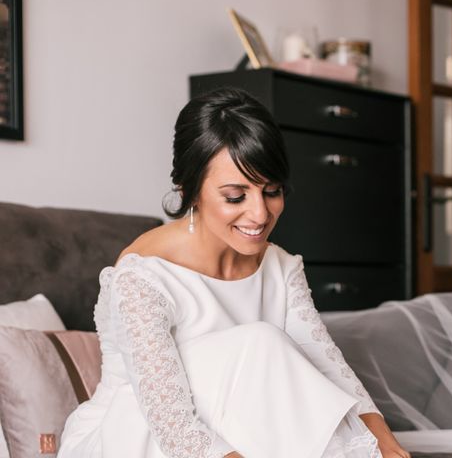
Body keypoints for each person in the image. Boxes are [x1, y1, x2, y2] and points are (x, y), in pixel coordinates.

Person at [58, 87, 410, 458]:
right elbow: (172, 424)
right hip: (136, 435)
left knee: (278, 358)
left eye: (272, 191)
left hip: (239, 429)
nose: (260, 214)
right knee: (260, 341)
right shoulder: (144, 275)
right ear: (190, 190)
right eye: (235, 196)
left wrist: (383, 442)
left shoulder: (280, 265)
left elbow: (325, 363)